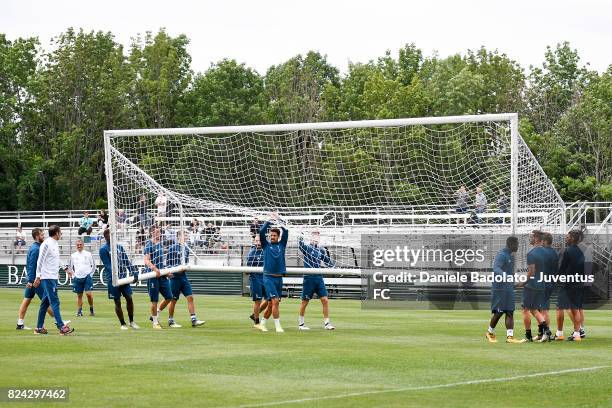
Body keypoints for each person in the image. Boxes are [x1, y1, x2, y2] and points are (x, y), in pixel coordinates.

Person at [33, 225, 74, 335]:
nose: (61, 234)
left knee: (45, 303)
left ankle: (39, 327)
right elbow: (40, 260)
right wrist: (38, 276)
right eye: (60, 232)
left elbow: (56, 258)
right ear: (56, 233)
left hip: (52, 277)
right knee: (55, 301)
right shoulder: (46, 244)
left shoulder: (54, 243)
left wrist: (65, 269)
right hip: (48, 277)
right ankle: (62, 327)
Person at [485, 237, 525, 343]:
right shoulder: (501, 255)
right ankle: (489, 333)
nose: (518, 246)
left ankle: (510, 337)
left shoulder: (510, 256)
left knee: (510, 312)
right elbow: (496, 268)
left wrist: (513, 284)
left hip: (508, 288)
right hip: (499, 288)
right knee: (499, 312)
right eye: (517, 244)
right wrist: (506, 276)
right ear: (511, 244)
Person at [99, 229, 139, 330]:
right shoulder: (103, 249)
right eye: (108, 235)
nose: (110, 237)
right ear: (105, 237)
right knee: (117, 302)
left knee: (129, 298)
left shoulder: (120, 247)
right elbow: (107, 265)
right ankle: (122, 323)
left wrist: (133, 272)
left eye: (112, 235)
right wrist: (115, 275)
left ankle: (132, 321)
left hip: (123, 278)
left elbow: (126, 261)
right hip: (113, 280)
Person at [16, 228, 55, 330]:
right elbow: (32, 265)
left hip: (31, 280)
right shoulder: (36, 249)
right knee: (46, 301)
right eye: (42, 235)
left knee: (26, 300)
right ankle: (59, 321)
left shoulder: (34, 247)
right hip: (35, 281)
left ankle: (20, 324)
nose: (44, 236)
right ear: (37, 236)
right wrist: (31, 280)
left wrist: (29, 280)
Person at [165, 231, 205, 328]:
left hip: (183, 277)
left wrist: (186, 267)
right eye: (184, 235)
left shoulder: (186, 249)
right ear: (178, 237)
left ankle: (193, 319)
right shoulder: (173, 248)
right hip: (175, 278)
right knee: (173, 300)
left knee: (190, 297)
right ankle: (170, 320)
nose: (186, 237)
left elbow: (186, 262)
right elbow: (168, 264)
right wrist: (176, 269)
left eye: (186, 235)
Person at [298, 230, 336, 330]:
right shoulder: (307, 248)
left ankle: (327, 323)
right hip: (309, 278)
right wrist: (300, 235)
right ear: (311, 237)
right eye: (314, 236)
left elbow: (327, 261)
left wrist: (335, 267)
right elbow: (300, 245)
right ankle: (301, 324)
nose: (316, 238)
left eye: (317, 236)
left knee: (325, 300)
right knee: (305, 302)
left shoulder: (321, 250)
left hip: (319, 278)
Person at [517, 230, 551, 342]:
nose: (529, 239)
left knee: (526, 309)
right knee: (535, 310)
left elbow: (531, 272)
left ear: (536, 238)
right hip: (542, 284)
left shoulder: (531, 253)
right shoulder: (547, 253)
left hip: (531, 285)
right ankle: (544, 332)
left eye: (531, 237)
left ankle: (530, 335)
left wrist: (523, 283)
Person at [259, 213, 288, 333]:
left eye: (274, 235)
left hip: (279, 279)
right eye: (271, 235)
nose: (272, 237)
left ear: (278, 236)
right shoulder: (266, 246)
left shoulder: (282, 245)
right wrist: (270, 220)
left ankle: (262, 323)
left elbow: (286, 229)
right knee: (275, 301)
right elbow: (261, 232)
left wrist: (279, 219)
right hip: (268, 277)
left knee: (272, 304)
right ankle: (278, 326)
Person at [555, 230, 585, 341]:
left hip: (568, 283)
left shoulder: (567, 251)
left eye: (567, 237)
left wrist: (557, 278)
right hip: (578, 283)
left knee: (559, 307)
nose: (566, 238)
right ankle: (577, 334)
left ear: (572, 238)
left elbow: (562, 267)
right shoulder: (581, 252)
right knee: (575, 309)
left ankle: (559, 333)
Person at [144, 224, 173, 329]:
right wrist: (154, 268)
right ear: (152, 233)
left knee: (169, 296)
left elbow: (161, 262)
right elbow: (146, 260)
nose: (158, 233)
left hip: (161, 275)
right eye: (156, 232)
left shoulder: (160, 244)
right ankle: (155, 322)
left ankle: (155, 314)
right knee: (154, 300)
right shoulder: (149, 245)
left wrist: (166, 272)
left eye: (159, 231)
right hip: (152, 275)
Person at [68, 239, 96, 317]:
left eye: (80, 244)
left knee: (88, 294)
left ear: (83, 245)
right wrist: (73, 275)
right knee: (79, 295)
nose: (79, 246)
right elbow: (70, 266)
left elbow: (94, 265)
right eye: (78, 245)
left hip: (87, 276)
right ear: (76, 246)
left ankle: (91, 308)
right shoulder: (73, 255)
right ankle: (79, 311)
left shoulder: (88, 254)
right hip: (77, 277)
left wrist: (90, 275)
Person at [540, 232, 559, 331]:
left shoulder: (543, 252)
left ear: (545, 241)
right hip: (551, 282)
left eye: (542, 240)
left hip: (543, 282)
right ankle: (544, 331)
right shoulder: (554, 253)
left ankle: (545, 332)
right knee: (544, 307)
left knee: (543, 309)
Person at [247, 235, 266, 331]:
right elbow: (247, 269)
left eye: (259, 240)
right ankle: (256, 322)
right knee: (258, 300)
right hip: (255, 278)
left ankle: (254, 315)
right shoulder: (252, 253)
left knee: (270, 299)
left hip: (265, 278)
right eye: (256, 241)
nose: (258, 242)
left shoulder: (266, 250)